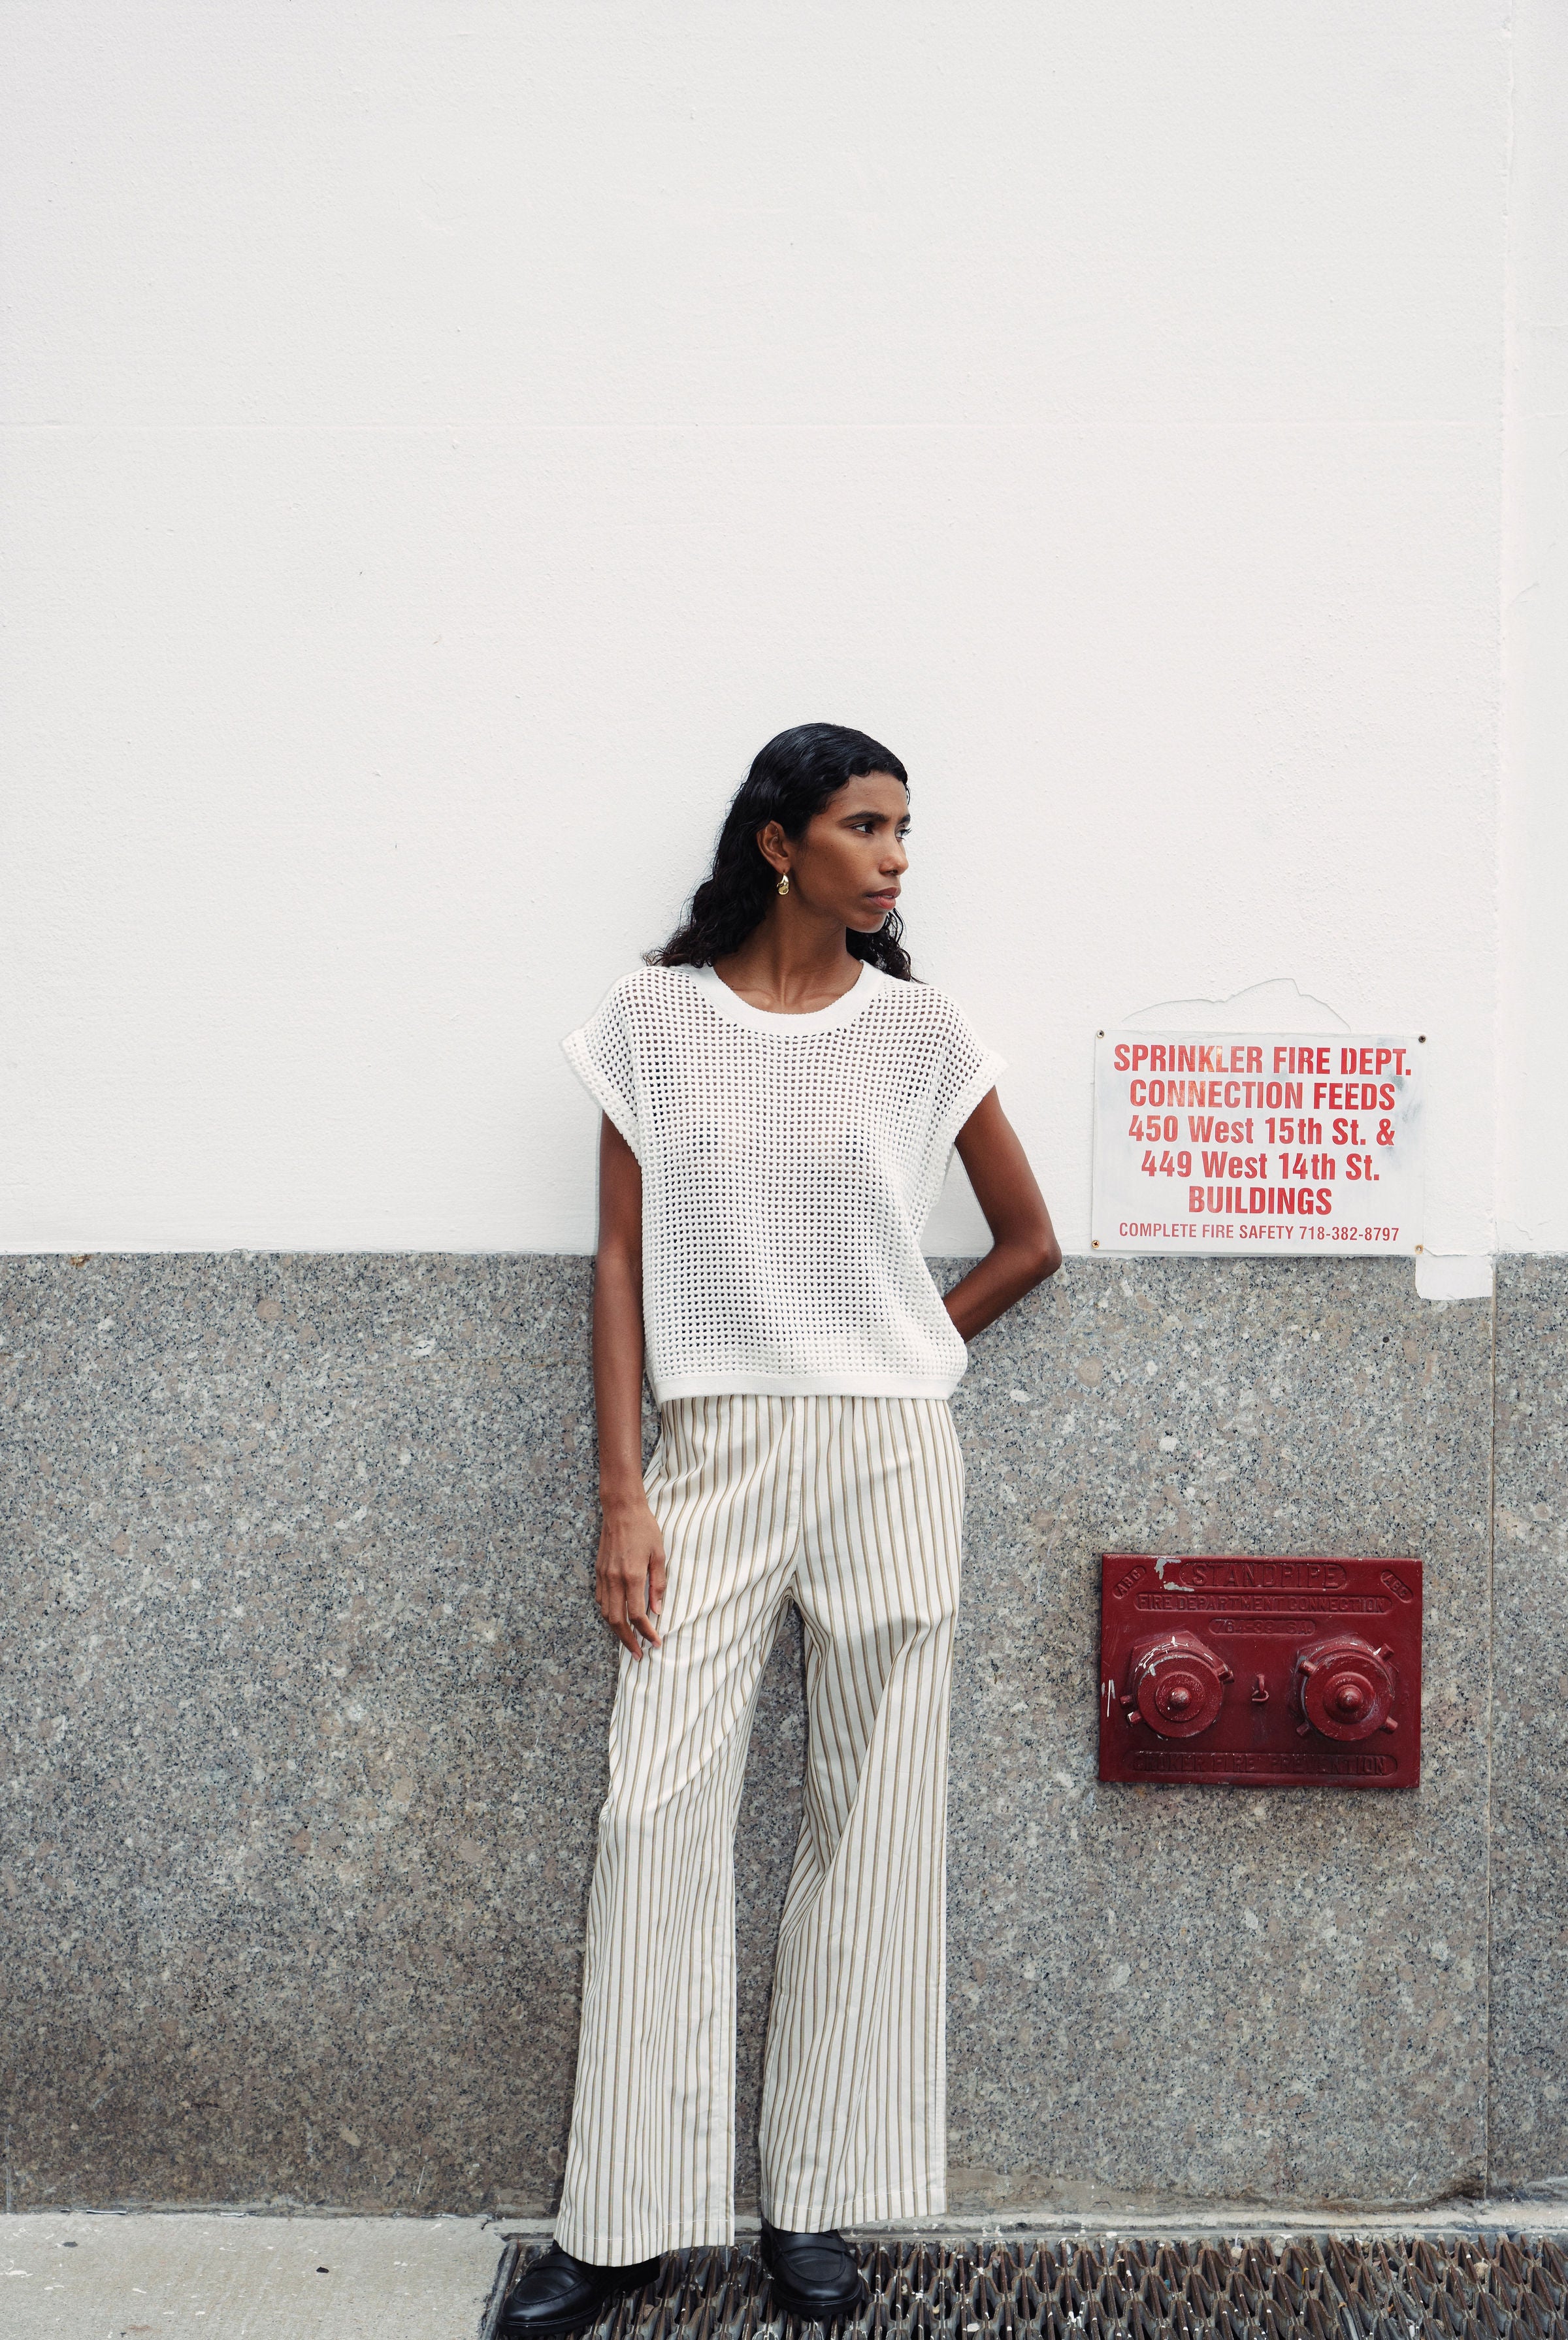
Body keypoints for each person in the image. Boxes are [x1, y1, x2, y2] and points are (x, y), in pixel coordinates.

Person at [504, 723, 1060, 2335]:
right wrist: (624, 1489)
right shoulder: (655, 1025)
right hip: (715, 1450)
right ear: (779, 843)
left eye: (905, 829)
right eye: (865, 826)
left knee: (873, 1828)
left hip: (891, 1453)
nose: (895, 856)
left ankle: (815, 2204)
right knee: (652, 1812)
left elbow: (1030, 1243)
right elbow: (616, 1263)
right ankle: (615, 2222)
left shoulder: (918, 1034)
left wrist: (904, 1347)